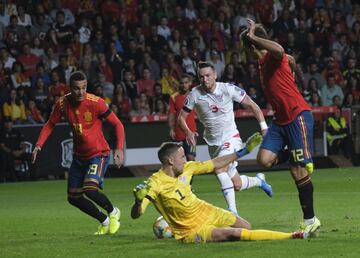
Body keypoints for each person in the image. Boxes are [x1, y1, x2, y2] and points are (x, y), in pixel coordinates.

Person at [131, 141, 308, 243]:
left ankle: (216, 229)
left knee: (246, 227)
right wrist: (138, 202)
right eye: (182, 157)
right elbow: (136, 215)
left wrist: (241, 152)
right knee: (233, 234)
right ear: (170, 160)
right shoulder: (154, 183)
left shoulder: (188, 168)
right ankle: (292, 235)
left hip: (208, 211)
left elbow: (215, 163)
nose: (186, 160)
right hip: (190, 231)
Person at [240, 18, 321, 234]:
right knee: (264, 160)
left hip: (297, 116)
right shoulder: (264, 63)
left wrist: (253, 36)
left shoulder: (272, 57)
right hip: (280, 120)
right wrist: (291, 69)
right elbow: (290, 60)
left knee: (299, 170)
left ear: (252, 45)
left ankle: (311, 219)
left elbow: (280, 50)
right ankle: (297, 153)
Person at [31, 71, 124, 235]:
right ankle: (104, 220)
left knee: (90, 189)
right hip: (79, 157)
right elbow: (50, 124)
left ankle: (113, 211)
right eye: (76, 88)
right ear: (69, 88)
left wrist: (119, 149)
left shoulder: (96, 103)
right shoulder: (62, 103)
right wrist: (39, 145)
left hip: (99, 153)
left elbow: (118, 125)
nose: (80, 92)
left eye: (83, 88)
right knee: (73, 198)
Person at [178, 61, 272, 215]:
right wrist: (188, 132)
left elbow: (253, 105)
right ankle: (259, 181)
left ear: (215, 75)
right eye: (201, 77)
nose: (205, 79)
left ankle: (233, 213)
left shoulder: (228, 89)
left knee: (219, 168)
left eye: (208, 75)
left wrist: (264, 127)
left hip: (231, 138)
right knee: (237, 184)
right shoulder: (194, 94)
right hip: (212, 144)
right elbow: (181, 118)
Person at [168, 74, 197, 161]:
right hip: (178, 133)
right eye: (182, 83)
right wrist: (171, 129)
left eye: (186, 82)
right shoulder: (174, 97)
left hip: (191, 133)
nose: (184, 85)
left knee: (191, 157)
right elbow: (171, 114)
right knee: (178, 159)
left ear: (190, 83)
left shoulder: (195, 95)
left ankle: (191, 175)